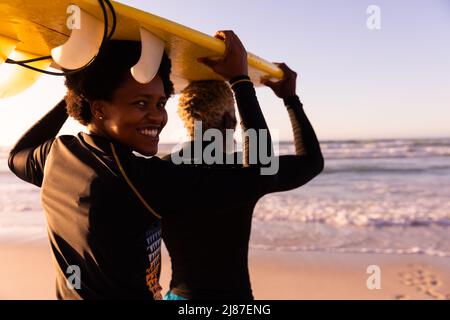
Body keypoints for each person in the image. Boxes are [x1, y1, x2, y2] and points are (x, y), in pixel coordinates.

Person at [7, 31, 285, 299]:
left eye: (161, 104)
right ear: (99, 109)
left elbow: (17, 155)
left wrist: (81, 85)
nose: (157, 117)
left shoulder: (58, 154)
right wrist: (240, 81)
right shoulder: (140, 178)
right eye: (141, 103)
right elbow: (262, 175)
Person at [161, 52, 324, 299]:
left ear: (187, 120)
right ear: (230, 121)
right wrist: (290, 98)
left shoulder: (159, 170)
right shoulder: (246, 171)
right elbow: (311, 162)